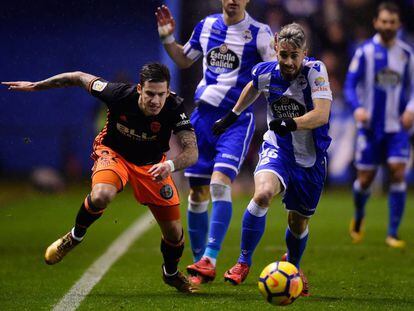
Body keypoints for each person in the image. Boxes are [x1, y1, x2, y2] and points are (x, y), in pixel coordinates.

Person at [2, 63, 199, 293]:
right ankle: (75, 237)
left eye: (161, 94)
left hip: (153, 166)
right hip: (114, 154)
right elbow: (77, 76)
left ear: (168, 92)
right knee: (102, 194)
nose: (155, 100)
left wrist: (171, 164)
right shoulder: (116, 94)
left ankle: (171, 274)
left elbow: (191, 151)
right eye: (150, 94)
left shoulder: (175, 107)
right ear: (139, 89)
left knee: (174, 234)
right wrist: (37, 86)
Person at [155, 0, 277, 284]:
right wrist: (167, 39)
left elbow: (274, 72)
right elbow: (184, 59)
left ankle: (210, 256)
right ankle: (200, 264)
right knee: (197, 193)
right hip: (201, 117)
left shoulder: (260, 33)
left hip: (235, 120)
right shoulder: (207, 26)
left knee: (219, 183)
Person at [212, 23, 332, 296]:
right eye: (284, 55)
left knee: (298, 223)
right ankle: (243, 262)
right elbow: (253, 87)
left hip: (310, 159)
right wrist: (232, 115)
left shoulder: (316, 73)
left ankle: (294, 267)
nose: (288, 62)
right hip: (278, 150)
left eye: (294, 56)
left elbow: (321, 115)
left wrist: (290, 123)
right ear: (276, 48)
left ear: (305, 53)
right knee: (263, 194)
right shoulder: (265, 72)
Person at [344, 2, 414, 248]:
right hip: (370, 128)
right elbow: (350, 84)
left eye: (392, 22)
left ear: (399, 25)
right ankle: (359, 216)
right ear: (376, 23)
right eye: (383, 21)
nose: (387, 26)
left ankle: (393, 233)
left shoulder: (406, 54)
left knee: (397, 171)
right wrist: (358, 108)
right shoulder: (364, 52)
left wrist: (410, 109)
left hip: (397, 127)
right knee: (365, 179)